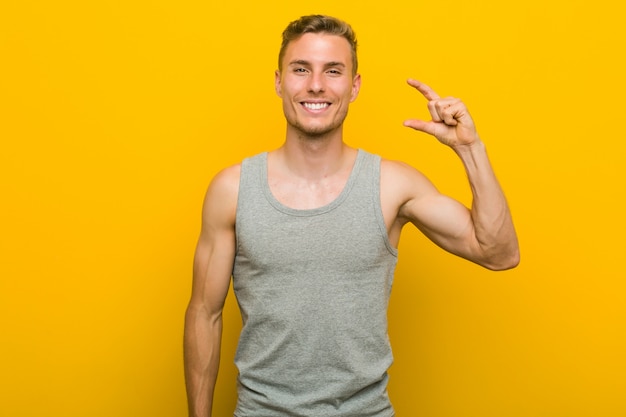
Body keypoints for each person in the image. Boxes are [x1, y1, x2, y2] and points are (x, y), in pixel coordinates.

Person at [183, 14, 519, 417]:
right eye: (301, 69)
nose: (316, 85)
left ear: (354, 86)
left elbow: (499, 253)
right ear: (278, 81)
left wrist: (470, 148)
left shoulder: (392, 186)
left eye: (334, 71)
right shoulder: (232, 190)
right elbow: (205, 313)